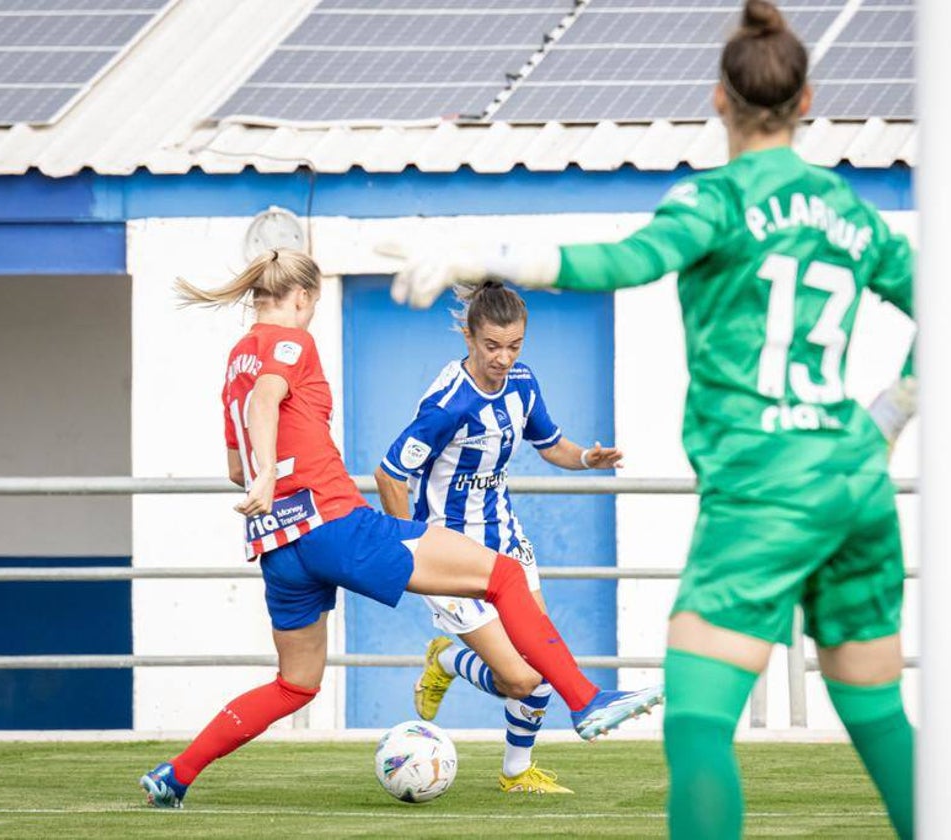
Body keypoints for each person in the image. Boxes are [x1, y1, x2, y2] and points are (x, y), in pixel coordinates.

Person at [379, 2, 918, 837]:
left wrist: (491, 257)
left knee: (699, 724)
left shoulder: (715, 202)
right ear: (807, 101)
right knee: (879, 714)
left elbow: (624, 260)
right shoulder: (849, 212)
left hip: (764, 486)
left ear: (718, 101)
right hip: (854, 478)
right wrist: (887, 417)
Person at [137, 249, 663, 809]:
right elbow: (268, 407)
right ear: (304, 297)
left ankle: (177, 774)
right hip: (334, 525)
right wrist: (272, 474)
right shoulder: (292, 341)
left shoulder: (235, 360)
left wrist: (264, 479)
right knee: (504, 576)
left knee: (296, 683)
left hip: (278, 545)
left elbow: (234, 468)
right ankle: (584, 699)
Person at [374, 280, 623, 795]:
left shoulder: (523, 383)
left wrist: (584, 459)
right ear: (468, 336)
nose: (503, 359)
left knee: (543, 661)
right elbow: (388, 474)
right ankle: (447, 658)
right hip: (449, 552)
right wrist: (412, 550)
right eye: (492, 346)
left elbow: (549, 444)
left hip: (506, 540)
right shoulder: (448, 404)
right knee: (520, 679)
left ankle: (517, 772)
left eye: (514, 346)